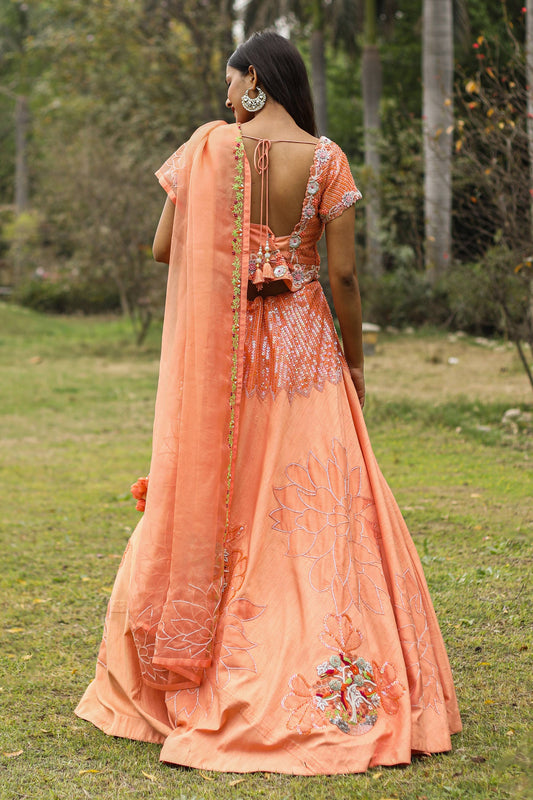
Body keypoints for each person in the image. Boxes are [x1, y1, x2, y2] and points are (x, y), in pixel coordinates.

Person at [76, 31, 461, 775]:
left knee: (229, 500)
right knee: (318, 512)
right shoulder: (325, 158)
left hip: (225, 361)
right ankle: (338, 687)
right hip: (307, 356)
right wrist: (353, 362)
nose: (224, 99)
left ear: (254, 78)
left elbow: (163, 249)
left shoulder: (206, 151)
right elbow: (342, 278)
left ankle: (200, 671)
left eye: (230, 82)